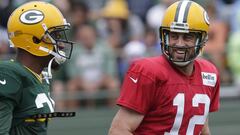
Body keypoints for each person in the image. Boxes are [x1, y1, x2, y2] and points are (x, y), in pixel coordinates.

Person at [108, 0, 220, 135]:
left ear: (201, 40)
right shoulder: (148, 71)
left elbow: (202, 127)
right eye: (174, 36)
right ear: (164, 36)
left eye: (187, 37)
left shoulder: (209, 73)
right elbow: (119, 130)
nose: (179, 43)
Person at [0, 1, 75, 135]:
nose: (62, 45)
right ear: (35, 39)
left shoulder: (40, 76)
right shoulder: (9, 74)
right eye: (55, 36)